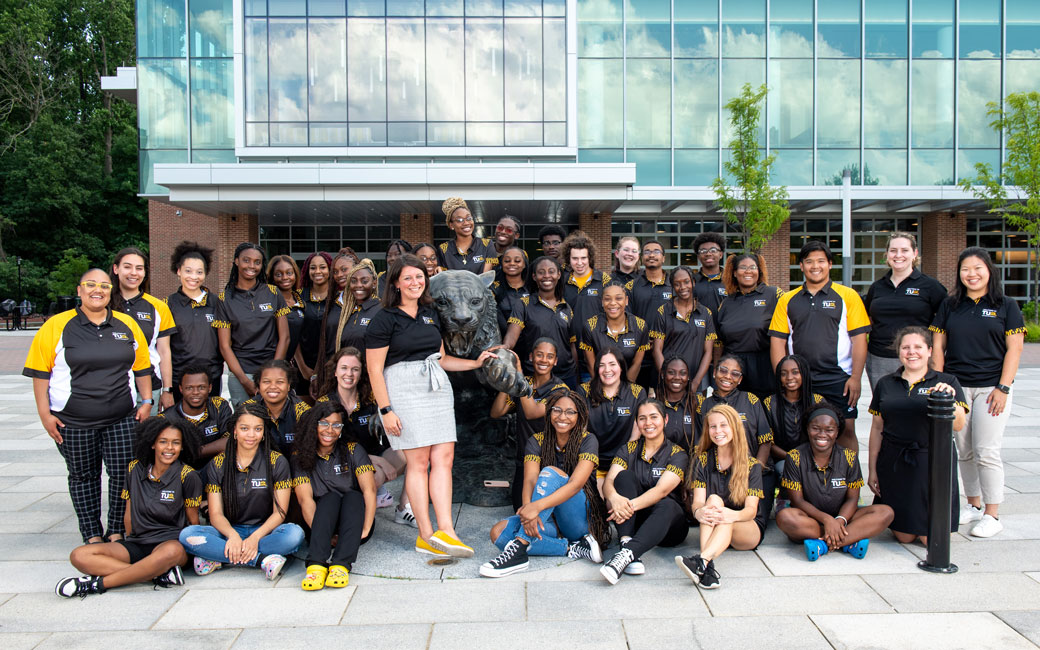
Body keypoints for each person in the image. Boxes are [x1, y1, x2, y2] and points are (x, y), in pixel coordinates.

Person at [365, 253, 496, 558]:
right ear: (396, 283)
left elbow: (441, 358)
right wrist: (386, 410)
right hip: (404, 389)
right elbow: (374, 369)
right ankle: (426, 534)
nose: (414, 282)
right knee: (418, 463)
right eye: (407, 277)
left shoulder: (429, 314)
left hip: (436, 387)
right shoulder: (384, 318)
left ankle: (447, 531)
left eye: (419, 277)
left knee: (445, 459)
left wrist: (475, 362)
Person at [24, 269, 153, 543]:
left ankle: (117, 530)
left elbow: (142, 368)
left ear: (111, 291)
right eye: (91, 285)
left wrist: (147, 401)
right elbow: (39, 373)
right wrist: (45, 415)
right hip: (73, 420)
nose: (98, 290)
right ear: (79, 289)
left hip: (121, 417)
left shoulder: (126, 324)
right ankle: (92, 533)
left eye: (104, 286)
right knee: (84, 476)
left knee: (122, 474)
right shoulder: (56, 326)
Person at [931, 246, 1022, 537]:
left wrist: (1003, 387)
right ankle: (972, 505)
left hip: (991, 388)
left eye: (977, 268)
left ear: (989, 271)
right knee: (965, 450)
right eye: (965, 269)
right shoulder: (951, 304)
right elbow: (938, 346)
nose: (971, 274)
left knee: (986, 450)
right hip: (958, 387)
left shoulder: (1006, 304)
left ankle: (992, 514)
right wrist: (943, 382)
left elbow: (1015, 349)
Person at [55, 418, 202, 598]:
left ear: (183, 446)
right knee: (79, 555)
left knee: (171, 551)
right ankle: (155, 575)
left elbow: (192, 521)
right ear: (153, 444)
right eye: (163, 441)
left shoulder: (188, 475)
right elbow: (128, 513)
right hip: (138, 542)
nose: (169, 448)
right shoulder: (135, 469)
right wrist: (129, 539)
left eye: (176, 443)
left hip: (170, 544)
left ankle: (97, 584)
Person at [480, 391, 608, 578]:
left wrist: (535, 507)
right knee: (497, 533)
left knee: (550, 472)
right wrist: (528, 516)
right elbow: (530, 480)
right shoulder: (536, 441)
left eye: (570, 412)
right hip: (547, 519)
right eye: (557, 410)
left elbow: (575, 484)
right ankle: (572, 548)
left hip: (578, 519)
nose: (562, 417)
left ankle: (519, 551)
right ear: (548, 413)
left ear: (580, 416)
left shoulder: (588, 440)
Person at [179, 401, 304, 579]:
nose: (251, 435)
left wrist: (254, 538)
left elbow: (280, 513)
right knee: (188, 535)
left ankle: (220, 558)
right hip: (228, 532)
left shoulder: (277, 462)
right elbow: (215, 514)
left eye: (257, 429)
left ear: (263, 433)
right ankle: (261, 559)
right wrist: (233, 536)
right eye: (245, 428)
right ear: (235, 431)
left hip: (264, 532)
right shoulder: (219, 463)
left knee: (294, 535)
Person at [867, 327, 968, 544]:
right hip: (895, 462)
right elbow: (877, 428)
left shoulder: (946, 382)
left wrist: (948, 400)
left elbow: (959, 425)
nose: (912, 352)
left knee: (928, 539)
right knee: (904, 537)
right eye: (906, 347)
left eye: (918, 347)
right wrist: (872, 469)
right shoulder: (886, 383)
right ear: (899, 352)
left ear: (930, 351)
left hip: (931, 462)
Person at [769, 240, 869, 452]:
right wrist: (784, 377)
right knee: (805, 431)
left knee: (846, 430)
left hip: (838, 378)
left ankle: (850, 481)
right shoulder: (787, 299)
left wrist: (856, 378)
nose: (815, 266)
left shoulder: (848, 296)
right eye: (809, 261)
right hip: (802, 379)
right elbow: (777, 341)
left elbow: (859, 340)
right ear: (801, 266)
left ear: (830, 264)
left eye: (821, 261)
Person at [778, 405, 894, 561]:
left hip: (844, 517)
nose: (822, 434)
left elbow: (853, 499)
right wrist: (827, 520)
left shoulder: (849, 457)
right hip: (811, 518)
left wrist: (839, 521)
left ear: (837, 432)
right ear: (807, 429)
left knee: (886, 512)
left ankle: (824, 544)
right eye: (816, 428)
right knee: (785, 517)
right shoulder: (795, 457)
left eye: (829, 430)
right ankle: (848, 540)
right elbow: (797, 500)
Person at [674, 404, 763, 589]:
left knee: (723, 516)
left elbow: (751, 511)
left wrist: (729, 515)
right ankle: (706, 566)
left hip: (745, 528)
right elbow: (698, 501)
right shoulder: (703, 459)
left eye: (724, 425)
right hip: (716, 525)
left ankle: (702, 559)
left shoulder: (751, 465)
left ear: (735, 427)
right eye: (713, 426)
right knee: (712, 500)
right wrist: (698, 512)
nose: (717, 431)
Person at [600, 400, 689, 584]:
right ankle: (627, 545)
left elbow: (661, 491)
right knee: (623, 477)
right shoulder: (628, 449)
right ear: (637, 423)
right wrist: (614, 498)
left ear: (665, 419)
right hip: (637, 521)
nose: (648, 423)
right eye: (642, 418)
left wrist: (624, 507)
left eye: (653, 417)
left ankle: (626, 554)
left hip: (669, 525)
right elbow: (609, 481)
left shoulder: (677, 453)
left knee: (667, 503)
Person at [292, 401, 377, 590]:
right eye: (323, 423)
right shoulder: (300, 456)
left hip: (354, 521)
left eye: (336, 425)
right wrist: (323, 533)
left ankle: (341, 566)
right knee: (329, 499)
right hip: (319, 521)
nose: (329, 430)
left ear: (341, 429)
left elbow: (369, 490)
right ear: (314, 425)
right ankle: (316, 566)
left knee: (353, 496)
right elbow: (305, 499)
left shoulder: (353, 450)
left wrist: (366, 527)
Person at [317, 346, 406, 516]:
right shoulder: (325, 403)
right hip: (342, 462)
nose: (349, 374)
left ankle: (404, 508)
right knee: (369, 474)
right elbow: (329, 447)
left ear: (361, 373)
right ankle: (361, 507)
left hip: (372, 459)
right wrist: (379, 462)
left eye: (355, 369)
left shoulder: (371, 399)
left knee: (414, 451)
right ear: (335, 372)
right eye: (344, 368)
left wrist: (383, 416)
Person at [490, 338, 570, 509]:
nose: (544, 360)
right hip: (524, 460)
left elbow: (531, 412)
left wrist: (518, 376)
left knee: (547, 510)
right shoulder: (524, 382)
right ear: (531, 357)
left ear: (555, 361)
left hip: (550, 461)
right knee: (520, 508)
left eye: (549, 357)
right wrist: (509, 381)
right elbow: (497, 412)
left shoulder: (560, 390)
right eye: (539, 355)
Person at [696, 354, 774, 524]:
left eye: (734, 373)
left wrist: (754, 472)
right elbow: (701, 444)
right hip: (718, 476)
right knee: (714, 514)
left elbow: (766, 441)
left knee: (753, 521)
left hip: (752, 474)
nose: (727, 376)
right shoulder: (704, 404)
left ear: (740, 380)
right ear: (715, 373)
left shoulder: (751, 400)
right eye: (723, 370)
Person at [864, 232, 947, 390]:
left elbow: (944, 321)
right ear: (887, 255)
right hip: (879, 359)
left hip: (917, 358)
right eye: (893, 250)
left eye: (904, 250)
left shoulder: (930, 286)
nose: (898, 255)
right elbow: (868, 318)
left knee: (916, 407)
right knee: (884, 406)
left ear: (915, 254)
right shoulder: (877, 287)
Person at [215, 243, 290, 404]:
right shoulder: (224, 299)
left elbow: (285, 338)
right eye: (246, 260)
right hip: (241, 372)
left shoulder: (273, 293)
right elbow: (224, 346)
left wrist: (273, 372)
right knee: (245, 422)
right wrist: (244, 381)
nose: (252, 266)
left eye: (257, 262)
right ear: (236, 261)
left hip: (271, 369)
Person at [111, 247, 177, 412]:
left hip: (148, 387)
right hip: (110, 389)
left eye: (139, 268)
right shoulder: (103, 304)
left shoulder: (158, 307)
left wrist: (167, 389)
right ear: (116, 269)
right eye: (127, 267)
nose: (133, 273)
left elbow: (164, 352)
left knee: (147, 437)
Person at [502, 255, 580, 389]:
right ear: (534, 276)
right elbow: (512, 336)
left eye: (551, 271)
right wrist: (504, 347)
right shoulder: (523, 305)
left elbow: (572, 345)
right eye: (541, 272)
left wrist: (576, 375)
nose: (546, 276)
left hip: (566, 376)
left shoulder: (566, 308)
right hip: (534, 376)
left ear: (559, 275)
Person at [715, 253, 784, 398]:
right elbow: (719, 341)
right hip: (733, 369)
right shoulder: (726, 303)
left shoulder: (774, 294)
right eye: (743, 267)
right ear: (734, 273)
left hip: (764, 367)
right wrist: (717, 370)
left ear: (759, 272)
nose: (748, 271)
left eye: (753, 267)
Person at [166, 241, 222, 399]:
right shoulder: (166, 305)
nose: (193, 277)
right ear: (178, 271)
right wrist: (167, 388)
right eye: (188, 271)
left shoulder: (218, 303)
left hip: (212, 378)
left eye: (199, 272)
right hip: (179, 380)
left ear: (205, 274)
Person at [316, 259, 381, 392]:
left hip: (369, 384)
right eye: (353, 281)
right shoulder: (346, 310)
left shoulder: (382, 310)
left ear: (374, 283)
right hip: (344, 382)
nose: (358, 285)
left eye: (364, 281)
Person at [581, 348, 644, 480]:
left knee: (614, 498)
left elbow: (635, 435)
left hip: (622, 464)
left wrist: (620, 463)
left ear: (621, 367)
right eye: (602, 365)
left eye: (612, 364)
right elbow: (582, 431)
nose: (607, 370)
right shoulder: (584, 391)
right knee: (596, 499)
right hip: (592, 462)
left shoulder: (637, 392)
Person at [651, 265, 715, 393]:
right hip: (669, 383)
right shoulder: (663, 311)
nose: (683, 287)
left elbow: (708, 352)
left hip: (695, 383)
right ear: (673, 287)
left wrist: (696, 383)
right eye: (677, 284)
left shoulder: (705, 313)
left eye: (686, 282)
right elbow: (656, 350)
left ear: (693, 282)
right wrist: (666, 378)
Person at [763, 354, 825, 483]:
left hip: (813, 457)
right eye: (783, 373)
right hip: (783, 459)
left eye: (795, 372)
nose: (789, 377)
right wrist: (791, 457)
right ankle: (785, 500)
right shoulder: (770, 403)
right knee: (785, 469)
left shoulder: (817, 401)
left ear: (804, 374)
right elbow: (768, 442)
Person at [159, 363, 233, 463]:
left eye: (201, 387)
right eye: (189, 388)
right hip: (181, 472)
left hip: (215, 469)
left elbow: (231, 441)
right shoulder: (166, 418)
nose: (195, 392)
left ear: (210, 388)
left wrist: (196, 452)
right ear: (181, 389)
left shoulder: (219, 405)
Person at [579, 282, 650, 383]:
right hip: (599, 383)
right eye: (607, 299)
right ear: (602, 302)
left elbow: (636, 364)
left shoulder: (640, 326)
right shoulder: (590, 326)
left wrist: (625, 390)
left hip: (628, 384)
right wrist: (604, 388)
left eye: (618, 298)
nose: (613, 303)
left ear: (626, 301)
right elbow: (591, 364)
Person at [242, 359, 311, 456]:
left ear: (288, 385)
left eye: (280, 382)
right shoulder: (248, 409)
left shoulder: (303, 411)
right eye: (266, 382)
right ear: (259, 385)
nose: (273, 386)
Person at [561, 233, 612, 352]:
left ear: (590, 258)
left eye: (583, 258)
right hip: (568, 345)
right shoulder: (561, 281)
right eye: (575, 258)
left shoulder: (604, 280)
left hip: (597, 345)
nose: (579, 263)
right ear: (568, 258)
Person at [294, 251, 334, 392]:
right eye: (313, 267)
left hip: (331, 365)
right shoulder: (298, 297)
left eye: (322, 267)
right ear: (307, 270)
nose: (318, 271)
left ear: (330, 269)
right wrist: (302, 367)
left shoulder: (339, 298)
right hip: (303, 366)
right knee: (304, 411)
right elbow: (293, 335)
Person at [438, 197, 494, 272]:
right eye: (459, 220)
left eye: (468, 218)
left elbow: (485, 279)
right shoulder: (444, 249)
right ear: (451, 225)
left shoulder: (486, 245)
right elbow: (445, 278)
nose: (466, 223)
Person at [268, 254, 305, 365]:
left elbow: (296, 337)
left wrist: (302, 366)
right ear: (271, 277)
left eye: (289, 273)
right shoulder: (268, 301)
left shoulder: (300, 301)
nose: (285, 278)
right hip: (268, 363)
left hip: (286, 366)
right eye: (278, 274)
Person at [657, 357, 697, 452]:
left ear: (688, 377)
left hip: (692, 463)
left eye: (683, 373)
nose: (677, 377)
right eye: (671, 372)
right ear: (663, 374)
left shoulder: (698, 403)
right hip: (660, 464)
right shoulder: (654, 405)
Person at [490, 244, 530, 336]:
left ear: (524, 264)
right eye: (507, 261)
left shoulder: (533, 289)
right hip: (502, 343)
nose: (512, 263)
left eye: (517, 261)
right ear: (502, 264)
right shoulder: (494, 289)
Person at [692, 232, 728, 316]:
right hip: (698, 328)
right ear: (698, 256)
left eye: (713, 250)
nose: (708, 254)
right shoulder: (691, 281)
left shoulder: (731, 281)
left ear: (721, 254)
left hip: (726, 328)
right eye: (703, 251)